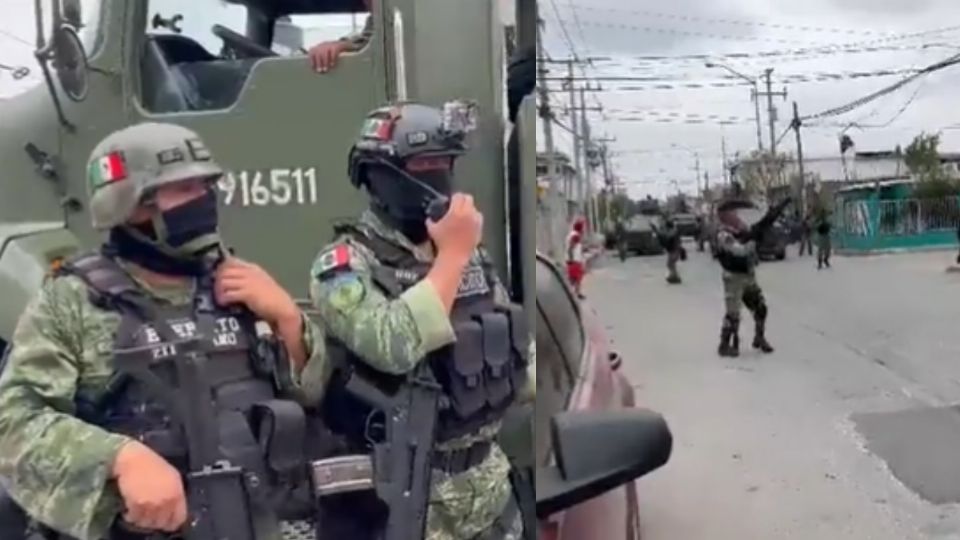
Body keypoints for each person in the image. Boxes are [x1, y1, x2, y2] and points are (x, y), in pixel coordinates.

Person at [0, 123, 329, 540]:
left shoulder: (236, 283)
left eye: (205, 185)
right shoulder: (72, 301)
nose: (204, 200)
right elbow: (14, 424)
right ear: (133, 204)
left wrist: (288, 321)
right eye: (185, 189)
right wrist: (119, 458)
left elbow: (314, 396)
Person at [309, 102, 532, 540]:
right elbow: (393, 346)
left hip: (490, 493)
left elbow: (517, 354)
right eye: (421, 165)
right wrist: (451, 254)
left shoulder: (471, 257)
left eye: (443, 164)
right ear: (376, 176)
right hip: (408, 504)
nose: (436, 178)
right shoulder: (345, 264)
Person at [715, 198, 787, 357]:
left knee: (760, 308)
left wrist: (772, 215)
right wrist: (752, 243)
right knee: (733, 314)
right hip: (733, 278)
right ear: (725, 216)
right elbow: (738, 250)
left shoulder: (744, 230)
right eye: (733, 214)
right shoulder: (724, 234)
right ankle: (725, 345)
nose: (737, 216)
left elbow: (759, 230)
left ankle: (759, 337)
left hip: (748, 276)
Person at [308, 0, 374, 73]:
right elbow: (367, 39)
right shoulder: (374, 20)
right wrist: (341, 45)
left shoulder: (382, 18)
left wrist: (343, 45)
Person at [652, 217, 682, 284]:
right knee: (671, 264)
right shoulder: (673, 230)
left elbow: (666, 236)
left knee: (670, 264)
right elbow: (664, 234)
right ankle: (674, 277)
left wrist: (657, 231)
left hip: (674, 250)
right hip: (674, 250)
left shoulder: (673, 231)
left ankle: (674, 277)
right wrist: (656, 229)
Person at [566, 218, 587, 297]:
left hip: (573, 260)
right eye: (583, 227)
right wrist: (571, 259)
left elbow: (575, 247)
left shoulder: (572, 234)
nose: (584, 229)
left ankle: (575, 293)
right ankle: (575, 294)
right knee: (576, 278)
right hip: (575, 261)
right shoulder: (576, 235)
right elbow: (571, 247)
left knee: (573, 279)